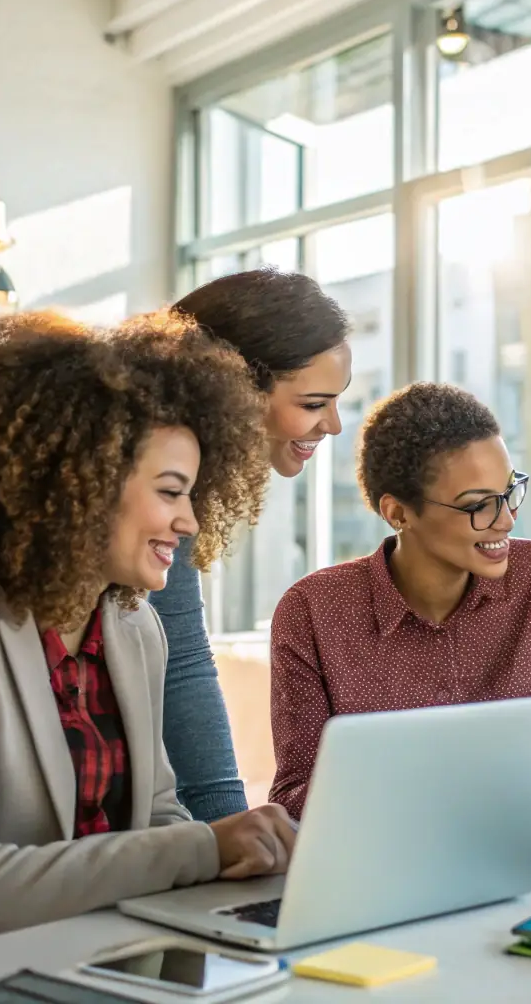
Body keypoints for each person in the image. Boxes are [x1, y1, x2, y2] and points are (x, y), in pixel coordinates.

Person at [0, 312, 299, 972]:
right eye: (170, 492)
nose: (188, 521)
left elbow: (155, 818)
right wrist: (206, 848)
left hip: (85, 965)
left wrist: (247, 856)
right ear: (82, 485)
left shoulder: (134, 629)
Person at [268, 382, 531, 820]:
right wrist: (486, 799)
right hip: (381, 871)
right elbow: (296, 797)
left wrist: (414, 803)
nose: (505, 520)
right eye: (478, 505)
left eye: (510, 492)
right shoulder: (312, 612)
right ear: (398, 513)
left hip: (529, 864)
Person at [154, 268, 352, 822]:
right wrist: (222, 822)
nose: (333, 425)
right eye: (314, 403)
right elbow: (179, 665)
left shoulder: (183, 484)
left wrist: (227, 825)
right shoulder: (142, 494)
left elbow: (179, 654)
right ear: (233, 392)